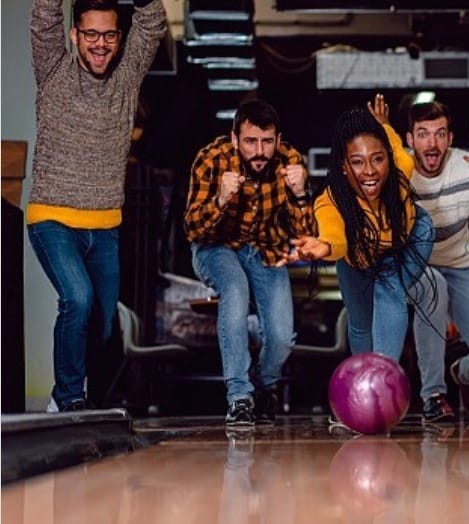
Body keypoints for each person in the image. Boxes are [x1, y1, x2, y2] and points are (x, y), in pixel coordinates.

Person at [27, 0, 166, 412]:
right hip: (52, 217)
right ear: (75, 36)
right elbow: (44, 15)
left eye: (108, 35)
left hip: (106, 225)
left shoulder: (127, 78)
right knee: (78, 299)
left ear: (119, 39)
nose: (100, 44)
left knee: (103, 324)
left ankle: (61, 396)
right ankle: (71, 398)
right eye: (90, 34)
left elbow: (153, 21)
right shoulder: (54, 68)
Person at [368, 95, 469, 421]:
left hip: (460, 267)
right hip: (416, 266)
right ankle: (433, 394)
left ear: (449, 138)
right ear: (409, 140)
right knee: (434, 286)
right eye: (422, 134)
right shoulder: (398, 168)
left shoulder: (468, 165)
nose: (431, 143)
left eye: (439, 133)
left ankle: (461, 374)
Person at [184, 99, 315, 427]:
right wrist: (221, 199)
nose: (260, 151)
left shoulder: (291, 162)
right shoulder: (210, 159)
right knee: (235, 290)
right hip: (216, 248)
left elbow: (307, 237)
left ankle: (263, 386)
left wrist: (300, 196)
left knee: (283, 335)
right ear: (234, 139)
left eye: (267, 142)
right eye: (251, 142)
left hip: (266, 250)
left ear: (278, 139)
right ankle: (240, 398)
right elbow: (192, 229)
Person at [278, 106, 435, 364]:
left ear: (388, 158)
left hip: (397, 249)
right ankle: (364, 376)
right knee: (361, 324)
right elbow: (334, 235)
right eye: (358, 162)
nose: (370, 171)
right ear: (343, 165)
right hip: (356, 260)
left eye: (377, 159)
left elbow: (393, 143)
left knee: (390, 288)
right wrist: (325, 246)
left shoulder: (401, 168)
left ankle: (383, 374)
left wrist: (384, 124)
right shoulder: (331, 200)